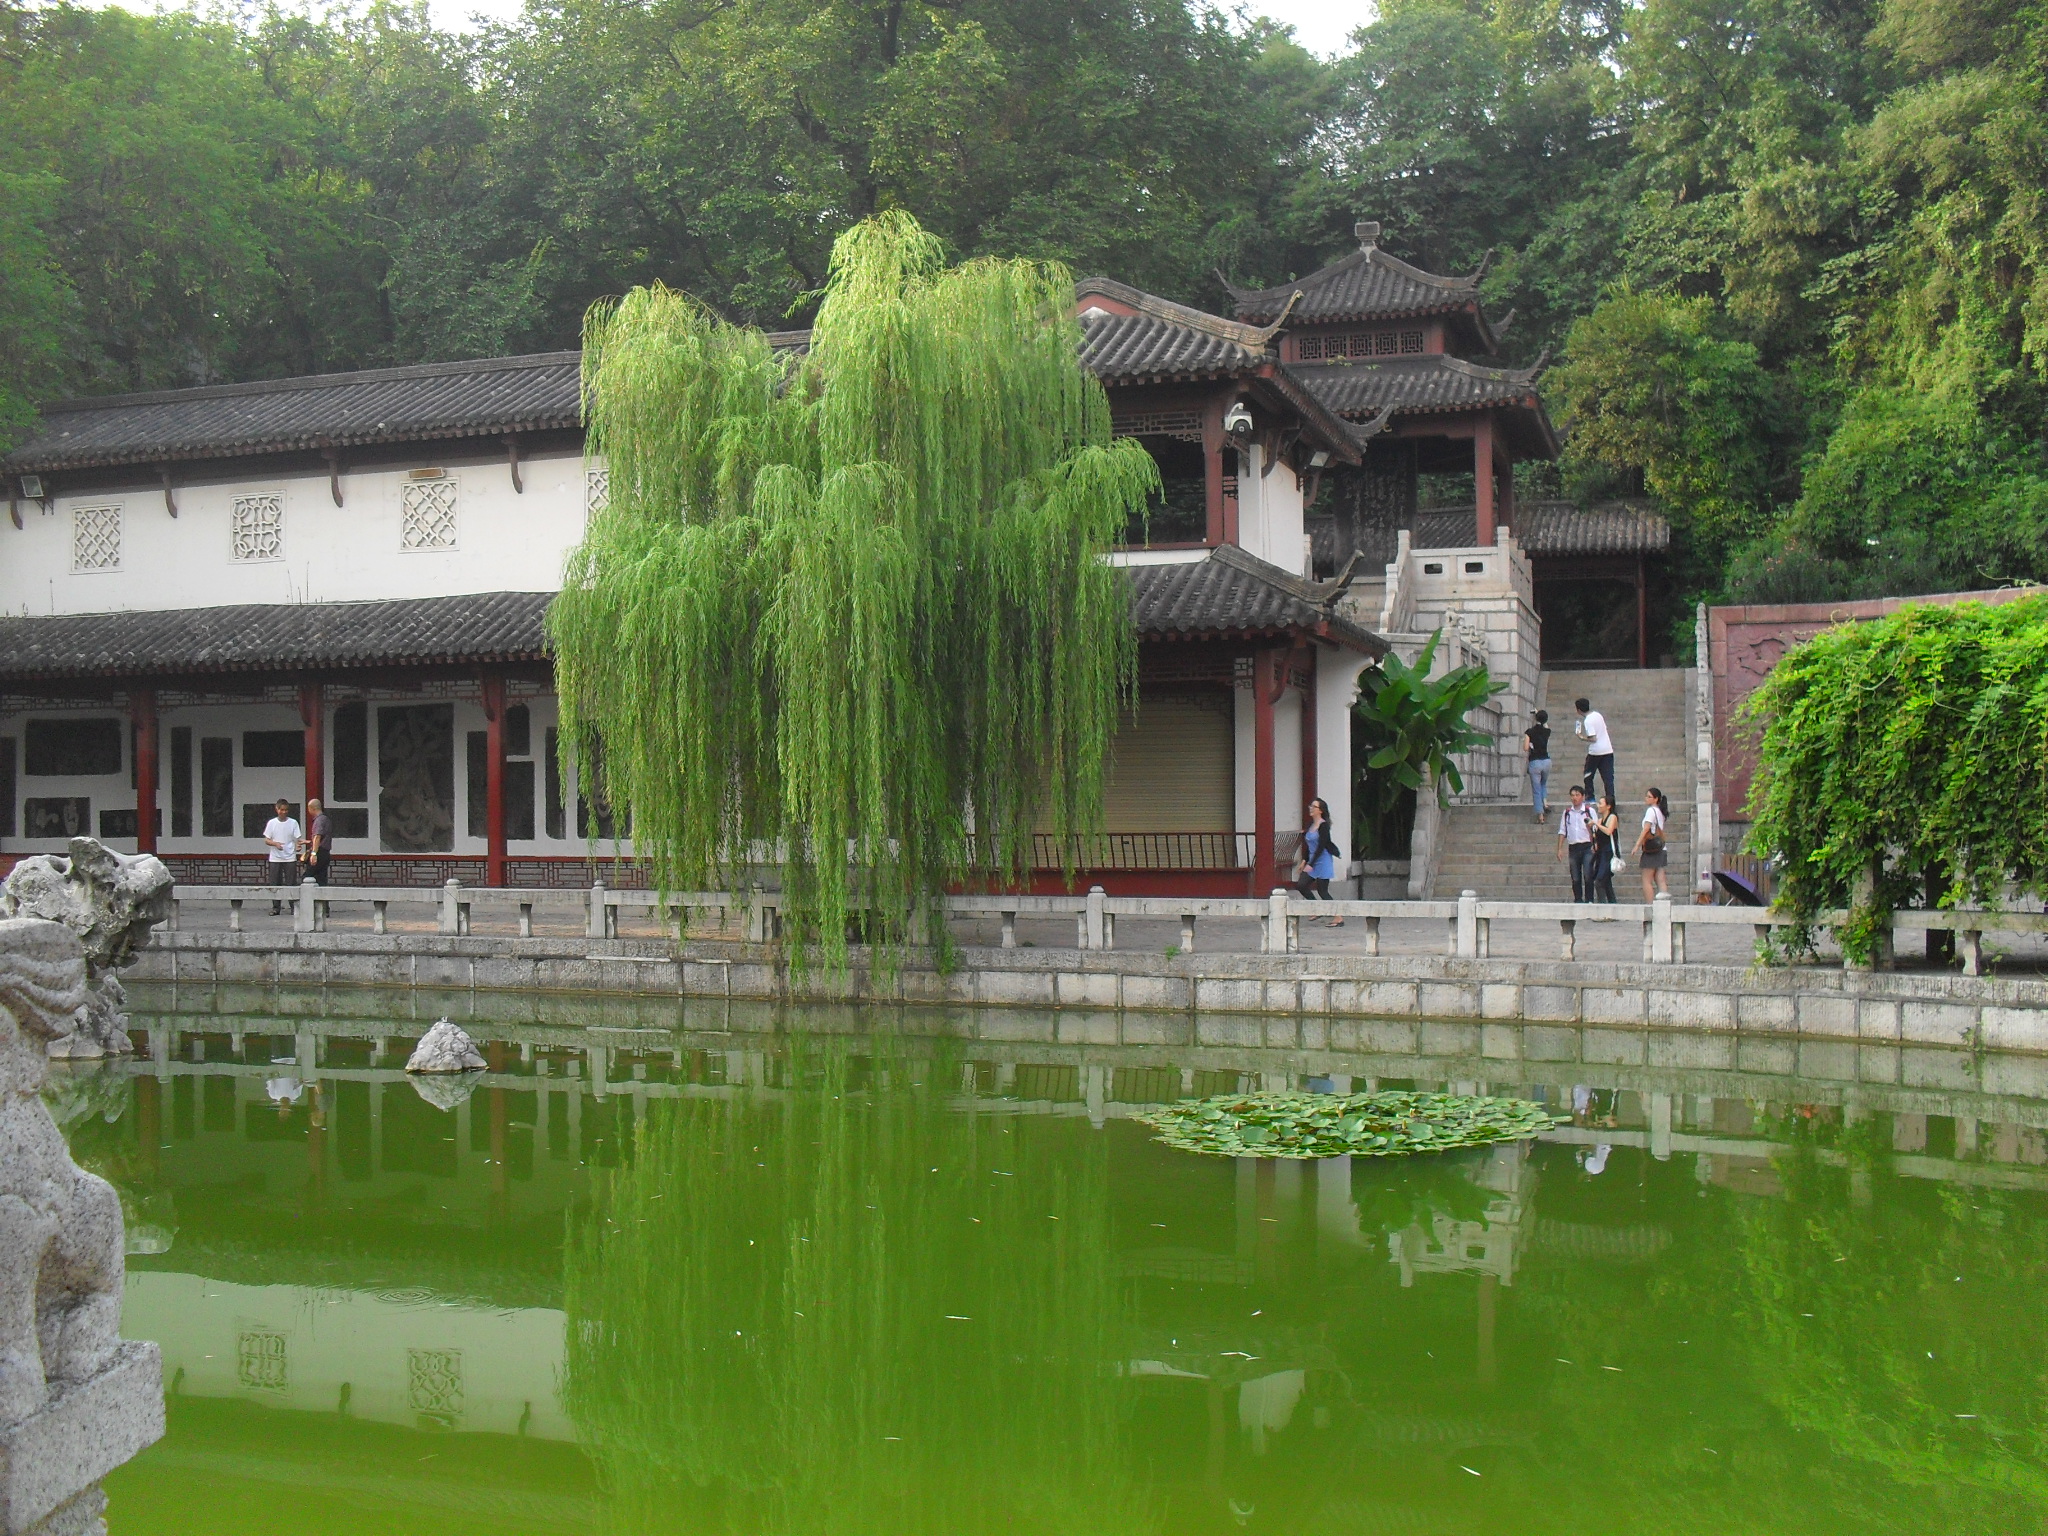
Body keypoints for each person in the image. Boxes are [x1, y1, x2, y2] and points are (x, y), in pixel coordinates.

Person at [1294, 798, 1345, 926]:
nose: (1311, 808)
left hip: (1323, 861)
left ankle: (1338, 917)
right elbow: (1309, 846)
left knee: (1323, 891)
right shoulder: (1310, 825)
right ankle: (1316, 908)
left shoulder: (1323, 826)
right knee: (1301, 885)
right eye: (1311, 806)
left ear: (1320, 810)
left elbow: (1321, 846)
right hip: (1312, 859)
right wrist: (1304, 861)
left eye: (1314, 807)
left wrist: (1311, 864)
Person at [1555, 784, 1596, 901]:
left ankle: (1589, 899)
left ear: (1583, 797)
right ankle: (1578, 899)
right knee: (1575, 877)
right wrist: (1559, 848)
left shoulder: (1589, 811)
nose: (1575, 798)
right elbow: (1562, 830)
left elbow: (1596, 828)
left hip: (1587, 846)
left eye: (1577, 795)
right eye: (1572, 795)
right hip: (1573, 847)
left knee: (1588, 875)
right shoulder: (1567, 813)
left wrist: (1595, 843)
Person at [1573, 696, 1616, 805]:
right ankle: (1611, 800)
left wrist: (1581, 737)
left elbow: (1593, 738)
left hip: (1595, 752)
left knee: (1588, 775)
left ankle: (1590, 798)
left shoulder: (1588, 721)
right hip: (1608, 749)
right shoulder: (1598, 715)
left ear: (1578, 710)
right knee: (1608, 778)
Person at [262, 797, 301, 915]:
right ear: (277, 809)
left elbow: (297, 838)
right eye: (281, 810)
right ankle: (276, 907)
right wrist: (275, 844)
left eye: (286, 810)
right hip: (275, 858)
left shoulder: (293, 822)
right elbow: (267, 840)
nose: (284, 812)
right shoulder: (272, 823)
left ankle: (294, 907)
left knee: (291, 883)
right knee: (275, 883)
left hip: (290, 857)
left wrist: (298, 846)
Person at [1633, 786, 1670, 902]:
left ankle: (1650, 905)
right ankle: (1664, 904)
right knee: (1660, 879)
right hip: (1661, 847)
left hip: (1651, 849)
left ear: (1656, 799)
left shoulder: (1651, 811)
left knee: (1646, 880)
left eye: (1649, 797)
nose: (1646, 798)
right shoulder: (1660, 812)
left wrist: (1637, 845)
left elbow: (1646, 829)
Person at [1589, 795, 1620, 903]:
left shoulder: (1613, 817)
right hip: (1601, 853)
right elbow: (1597, 836)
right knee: (1606, 882)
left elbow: (1608, 831)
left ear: (1608, 806)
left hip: (1609, 853)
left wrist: (1596, 823)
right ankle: (1612, 904)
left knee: (1600, 880)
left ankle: (1602, 906)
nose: (1598, 805)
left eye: (1601, 803)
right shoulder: (1600, 820)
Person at [1523, 709, 1552, 824]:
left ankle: (1540, 816)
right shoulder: (1547, 731)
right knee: (1543, 783)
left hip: (1535, 762)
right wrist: (1538, 713)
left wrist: (1531, 745)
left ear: (1535, 718)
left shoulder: (1529, 732)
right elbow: (1545, 724)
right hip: (1546, 761)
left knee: (1536, 789)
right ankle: (1545, 803)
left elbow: (1525, 748)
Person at [303, 797, 333, 886]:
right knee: (321, 879)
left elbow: (317, 836)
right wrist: (308, 842)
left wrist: (313, 854)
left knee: (307, 876)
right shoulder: (326, 819)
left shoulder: (319, 820)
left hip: (319, 852)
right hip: (325, 852)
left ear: (312, 808)